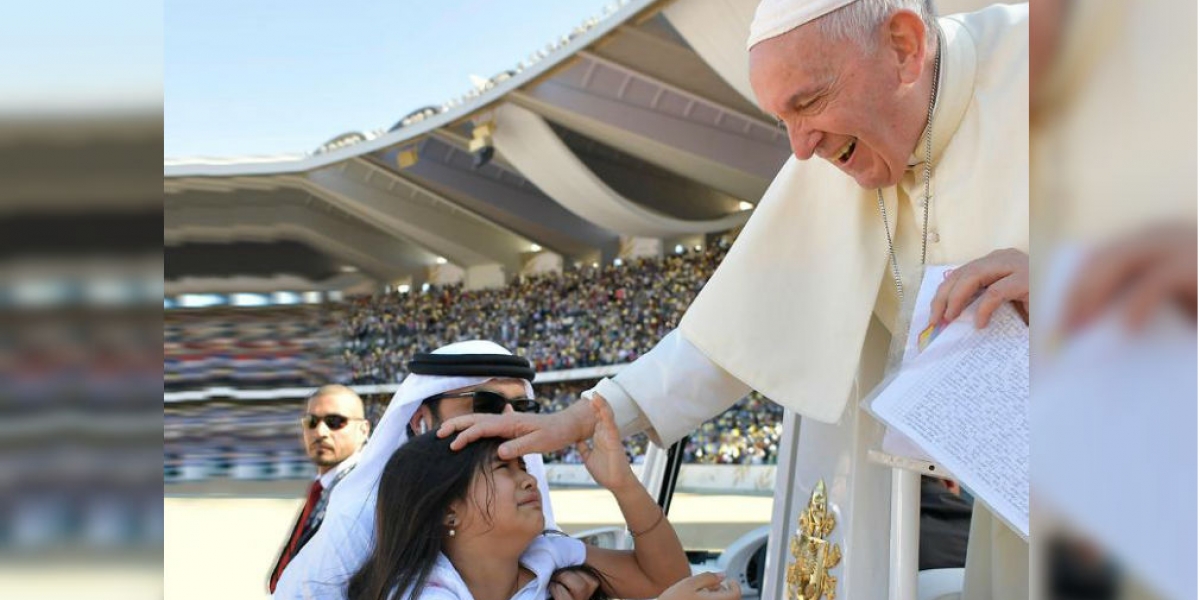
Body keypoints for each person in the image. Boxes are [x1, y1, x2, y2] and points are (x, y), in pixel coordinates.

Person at [440, 1, 1030, 598]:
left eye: (808, 103)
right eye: (782, 120)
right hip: (1014, 523)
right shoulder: (831, 158)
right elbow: (729, 336)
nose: (800, 149)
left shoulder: (1067, 52)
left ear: (904, 47)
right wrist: (582, 417)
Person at [275, 341, 597, 599]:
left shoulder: (523, 500)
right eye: (486, 404)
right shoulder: (359, 516)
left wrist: (570, 577)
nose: (510, 423)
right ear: (421, 422)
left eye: (523, 409)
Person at [349, 396, 707, 600]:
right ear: (449, 511)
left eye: (523, 466)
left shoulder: (545, 554)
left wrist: (623, 483)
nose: (528, 480)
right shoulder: (423, 593)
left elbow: (666, 580)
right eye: (503, 468)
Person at [269, 385, 371, 593]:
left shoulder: (363, 491)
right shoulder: (325, 486)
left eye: (335, 422)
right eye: (311, 422)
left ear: (363, 430)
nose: (320, 432)